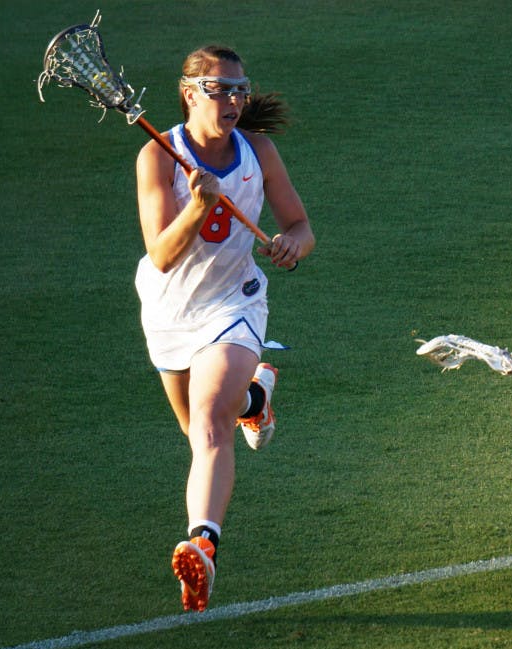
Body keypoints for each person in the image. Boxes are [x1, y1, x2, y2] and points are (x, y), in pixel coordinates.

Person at [134, 45, 314, 612]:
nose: (234, 99)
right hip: (168, 311)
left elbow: (301, 225)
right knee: (197, 436)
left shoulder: (258, 150)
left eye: (240, 89)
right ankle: (256, 396)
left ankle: (203, 546)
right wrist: (196, 204)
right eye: (219, 89)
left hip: (233, 304)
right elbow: (161, 255)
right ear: (190, 93)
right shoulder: (158, 157)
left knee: (212, 422)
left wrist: (292, 245)